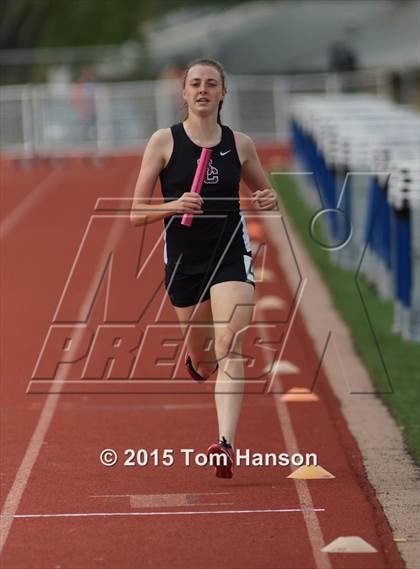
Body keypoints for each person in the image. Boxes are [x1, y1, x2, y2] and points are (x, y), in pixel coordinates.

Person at [130, 58, 278, 478]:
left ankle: (225, 443)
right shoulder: (164, 141)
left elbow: (265, 193)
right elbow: (135, 213)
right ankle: (198, 363)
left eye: (211, 84)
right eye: (195, 83)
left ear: (223, 93)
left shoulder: (240, 143)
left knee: (231, 343)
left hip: (230, 250)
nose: (203, 90)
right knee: (207, 359)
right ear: (183, 93)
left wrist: (267, 200)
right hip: (183, 259)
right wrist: (176, 204)